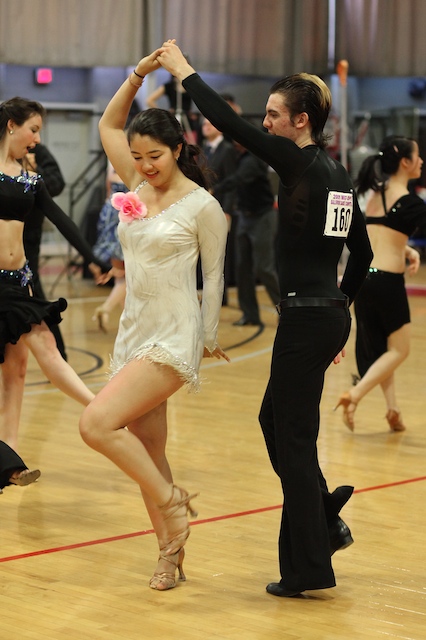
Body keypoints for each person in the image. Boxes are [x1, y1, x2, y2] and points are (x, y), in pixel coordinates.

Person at [158, 41, 373, 598]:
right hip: (322, 316)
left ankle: (309, 566)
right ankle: (322, 514)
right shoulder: (338, 173)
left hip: (308, 320)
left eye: (275, 114)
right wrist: (340, 311)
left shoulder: (300, 159)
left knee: (293, 440)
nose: (267, 122)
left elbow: (230, 124)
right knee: (275, 422)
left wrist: (184, 72)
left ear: (301, 122)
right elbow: (362, 255)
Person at [78, 52, 229, 592]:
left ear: (178, 149)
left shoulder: (203, 206)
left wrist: (208, 335)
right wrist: (138, 75)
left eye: (155, 156)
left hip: (174, 333)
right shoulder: (135, 187)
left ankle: (171, 502)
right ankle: (170, 552)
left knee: (96, 424)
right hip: (134, 330)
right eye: (138, 156)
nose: (144, 165)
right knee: (148, 450)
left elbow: (215, 276)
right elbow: (108, 125)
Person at [0, 96, 110, 454]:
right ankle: (105, 412)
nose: (37, 139)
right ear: (11, 125)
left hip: (20, 281)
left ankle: (10, 455)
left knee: (19, 370)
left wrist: (93, 258)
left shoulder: (31, 180)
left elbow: (62, 220)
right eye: (33, 130)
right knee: (42, 354)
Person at [335, 135, 426, 432]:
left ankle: (392, 409)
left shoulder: (375, 195)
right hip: (387, 282)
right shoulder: (411, 203)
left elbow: (380, 233)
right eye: (417, 156)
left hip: (364, 280)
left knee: (383, 350)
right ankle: (355, 394)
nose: (422, 161)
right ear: (405, 162)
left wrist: (407, 250)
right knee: (400, 350)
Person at [220, 140, 280, 326]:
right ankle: (250, 315)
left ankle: (287, 311)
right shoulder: (238, 156)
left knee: (264, 268)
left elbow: (237, 179)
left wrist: (214, 189)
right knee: (242, 268)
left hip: (262, 217)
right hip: (244, 217)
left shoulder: (253, 159)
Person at [22, 143, 67, 359]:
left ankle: (59, 356)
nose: (36, 137)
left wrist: (35, 171)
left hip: (27, 238)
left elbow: (57, 183)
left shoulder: (36, 151)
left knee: (34, 292)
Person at [200, 117, 237, 301]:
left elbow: (231, 181)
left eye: (210, 124)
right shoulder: (204, 148)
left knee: (221, 251)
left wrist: (227, 209)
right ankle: (209, 291)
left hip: (221, 206)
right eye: (204, 124)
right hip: (205, 207)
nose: (206, 127)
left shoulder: (227, 149)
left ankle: (221, 295)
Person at [90, 163, 127, 332]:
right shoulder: (130, 161)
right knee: (125, 275)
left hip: (111, 214)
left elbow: (108, 188)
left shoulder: (112, 161)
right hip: (123, 216)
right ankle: (107, 310)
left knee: (121, 275)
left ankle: (121, 319)